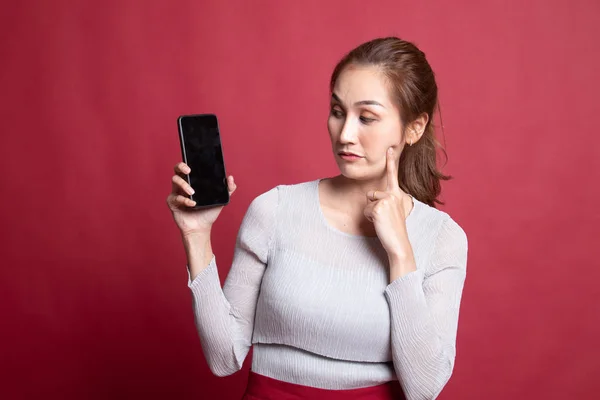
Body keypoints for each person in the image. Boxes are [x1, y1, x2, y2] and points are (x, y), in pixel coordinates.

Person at [167, 37, 468, 400]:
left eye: (367, 118)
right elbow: (223, 357)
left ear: (414, 128)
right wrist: (196, 235)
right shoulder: (275, 210)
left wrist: (401, 254)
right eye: (338, 111)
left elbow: (424, 388)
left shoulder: (441, 238)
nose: (345, 134)